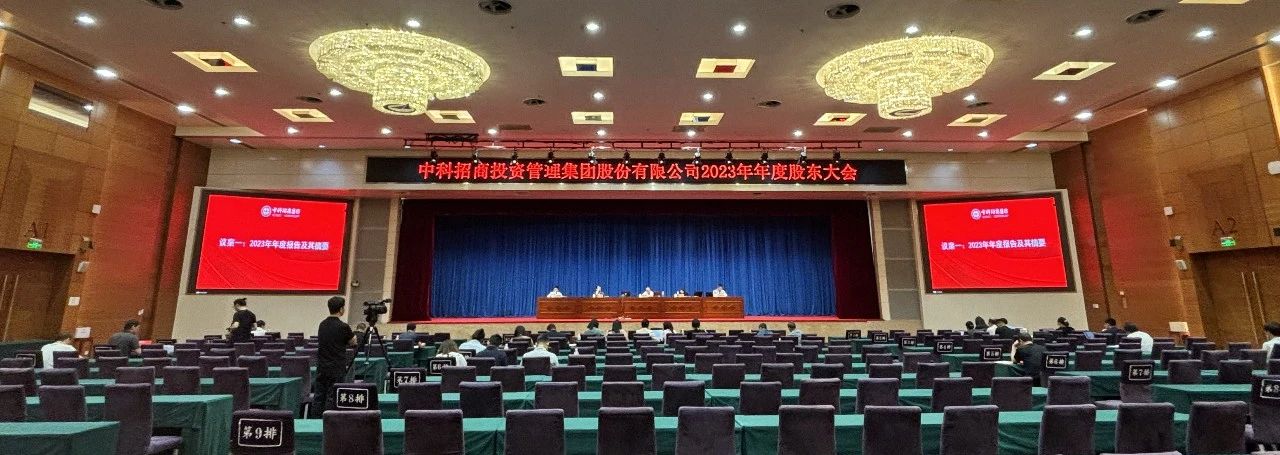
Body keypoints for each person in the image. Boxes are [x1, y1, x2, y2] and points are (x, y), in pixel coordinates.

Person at [314, 296, 356, 417]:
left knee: (319, 396)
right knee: (332, 396)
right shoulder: (343, 326)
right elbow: (353, 342)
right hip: (336, 367)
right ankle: (330, 420)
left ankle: (315, 420)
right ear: (341, 309)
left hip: (322, 366)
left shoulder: (322, 324)